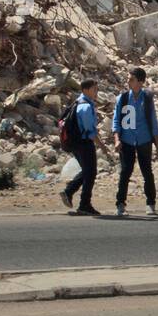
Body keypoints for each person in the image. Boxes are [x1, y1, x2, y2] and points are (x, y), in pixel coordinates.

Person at [112, 67, 158, 216]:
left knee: (147, 172)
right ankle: (120, 204)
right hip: (126, 141)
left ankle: (151, 203)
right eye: (128, 78)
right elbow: (116, 120)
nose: (128, 81)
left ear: (140, 82)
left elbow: (153, 122)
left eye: (132, 79)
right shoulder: (123, 98)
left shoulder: (146, 98)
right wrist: (116, 139)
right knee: (125, 173)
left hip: (144, 140)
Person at [60, 79, 110, 216]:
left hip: (75, 143)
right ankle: (84, 204)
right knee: (91, 172)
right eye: (94, 89)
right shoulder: (86, 107)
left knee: (88, 171)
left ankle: (69, 192)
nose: (96, 92)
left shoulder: (77, 103)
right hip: (84, 143)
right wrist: (102, 146)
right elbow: (90, 131)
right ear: (86, 90)